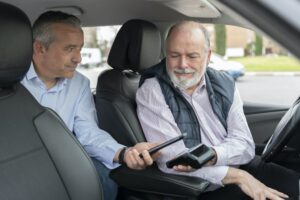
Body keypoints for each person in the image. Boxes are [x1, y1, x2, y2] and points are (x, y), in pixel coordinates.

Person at [136, 21, 300, 200]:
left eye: (192, 56)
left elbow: (244, 144)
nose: (182, 65)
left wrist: (213, 155)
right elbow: (174, 160)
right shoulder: (152, 89)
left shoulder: (225, 83)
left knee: (295, 186)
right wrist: (239, 177)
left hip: (235, 164)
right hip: (199, 186)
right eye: (174, 55)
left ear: (208, 56)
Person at [21, 11, 158, 200]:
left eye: (80, 48)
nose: (79, 58)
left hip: (59, 163)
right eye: (70, 49)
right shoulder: (10, 83)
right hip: (16, 163)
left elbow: (88, 133)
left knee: (103, 178)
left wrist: (124, 153)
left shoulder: (79, 84)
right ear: (40, 48)